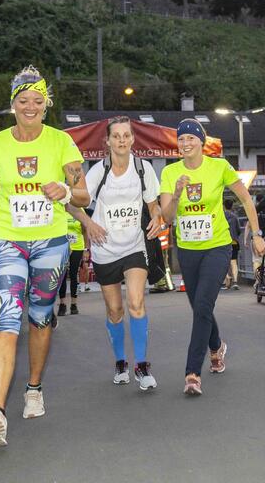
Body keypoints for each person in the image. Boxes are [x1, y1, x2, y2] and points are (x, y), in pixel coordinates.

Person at [0, 65, 89, 448]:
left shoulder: (62, 143)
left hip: (51, 242)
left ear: (46, 104)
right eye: (23, 100)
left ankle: (34, 387)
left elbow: (84, 195)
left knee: (40, 316)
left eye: (38, 101)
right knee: (7, 316)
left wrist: (65, 192)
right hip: (7, 238)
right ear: (13, 104)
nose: (30, 106)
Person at [159, 118, 265, 396]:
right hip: (188, 249)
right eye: (181, 139)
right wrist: (179, 192)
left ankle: (192, 373)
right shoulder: (170, 173)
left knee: (204, 304)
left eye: (191, 138)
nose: (186, 143)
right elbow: (167, 218)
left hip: (217, 246)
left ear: (201, 142)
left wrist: (256, 234)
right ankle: (217, 347)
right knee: (200, 307)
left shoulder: (219, 166)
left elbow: (245, 198)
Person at [67, 116, 164, 390]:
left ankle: (142, 365)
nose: (122, 140)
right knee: (115, 310)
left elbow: (153, 205)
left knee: (136, 302)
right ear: (107, 141)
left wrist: (156, 218)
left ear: (133, 139)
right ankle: (121, 361)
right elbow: (71, 203)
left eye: (126, 135)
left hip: (134, 246)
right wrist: (88, 223)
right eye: (116, 136)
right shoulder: (98, 172)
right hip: (105, 249)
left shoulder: (143, 169)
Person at [57, 212, 85, 316]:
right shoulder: (61, 209)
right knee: (62, 275)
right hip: (63, 247)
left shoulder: (79, 210)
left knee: (74, 275)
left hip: (77, 247)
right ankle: (62, 304)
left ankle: (74, 304)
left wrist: (86, 249)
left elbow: (85, 230)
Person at [246, 205, 265, 291]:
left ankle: (257, 281)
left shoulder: (254, 210)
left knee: (256, 260)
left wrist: (246, 239)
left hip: (257, 239)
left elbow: (248, 225)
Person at [223, 199, 241, 290]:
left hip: (223, 242)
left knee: (223, 262)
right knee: (233, 262)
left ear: (224, 206)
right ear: (232, 206)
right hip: (233, 241)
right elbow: (238, 230)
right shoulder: (235, 217)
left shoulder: (221, 216)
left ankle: (227, 277)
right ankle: (235, 282)